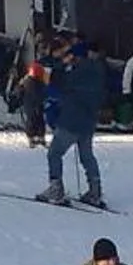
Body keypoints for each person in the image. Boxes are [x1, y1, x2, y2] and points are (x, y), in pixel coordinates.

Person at [37, 37, 111, 208]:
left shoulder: (74, 71)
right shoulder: (99, 70)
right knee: (87, 155)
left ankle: (56, 189)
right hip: (89, 120)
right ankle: (95, 191)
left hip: (71, 119)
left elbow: (56, 82)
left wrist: (58, 65)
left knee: (54, 153)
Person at [11, 58, 48, 148]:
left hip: (29, 104)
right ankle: (40, 137)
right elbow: (45, 93)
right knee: (39, 120)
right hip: (38, 104)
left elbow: (18, 92)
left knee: (31, 120)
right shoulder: (41, 83)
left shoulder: (26, 82)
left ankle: (32, 137)